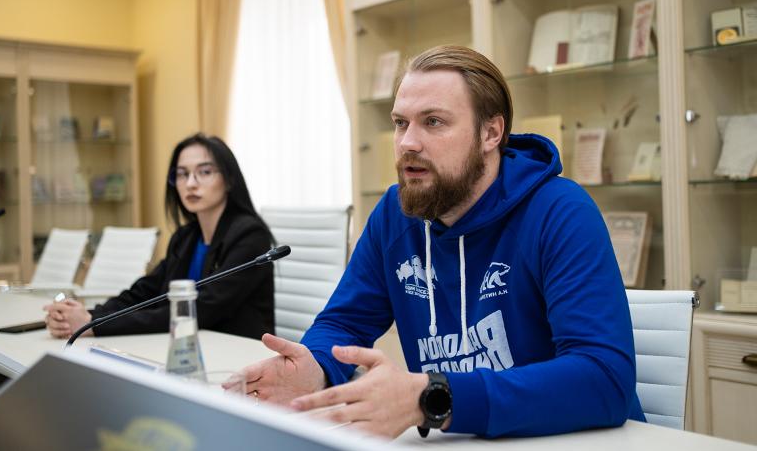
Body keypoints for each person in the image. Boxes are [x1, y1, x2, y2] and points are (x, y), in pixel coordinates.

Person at [241, 46, 645, 439]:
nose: (407, 143)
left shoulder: (561, 211)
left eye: (433, 122)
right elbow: (345, 322)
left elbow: (604, 377)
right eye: (401, 123)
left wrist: (433, 398)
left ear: (491, 133)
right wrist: (315, 367)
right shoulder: (394, 215)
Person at [43, 133, 274, 340]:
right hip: (187, 346)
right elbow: (144, 293)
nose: (190, 184)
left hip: (236, 355)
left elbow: (200, 311)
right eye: (182, 174)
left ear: (230, 179)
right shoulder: (186, 237)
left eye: (204, 172)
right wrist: (85, 316)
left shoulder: (250, 236)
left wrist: (96, 325)